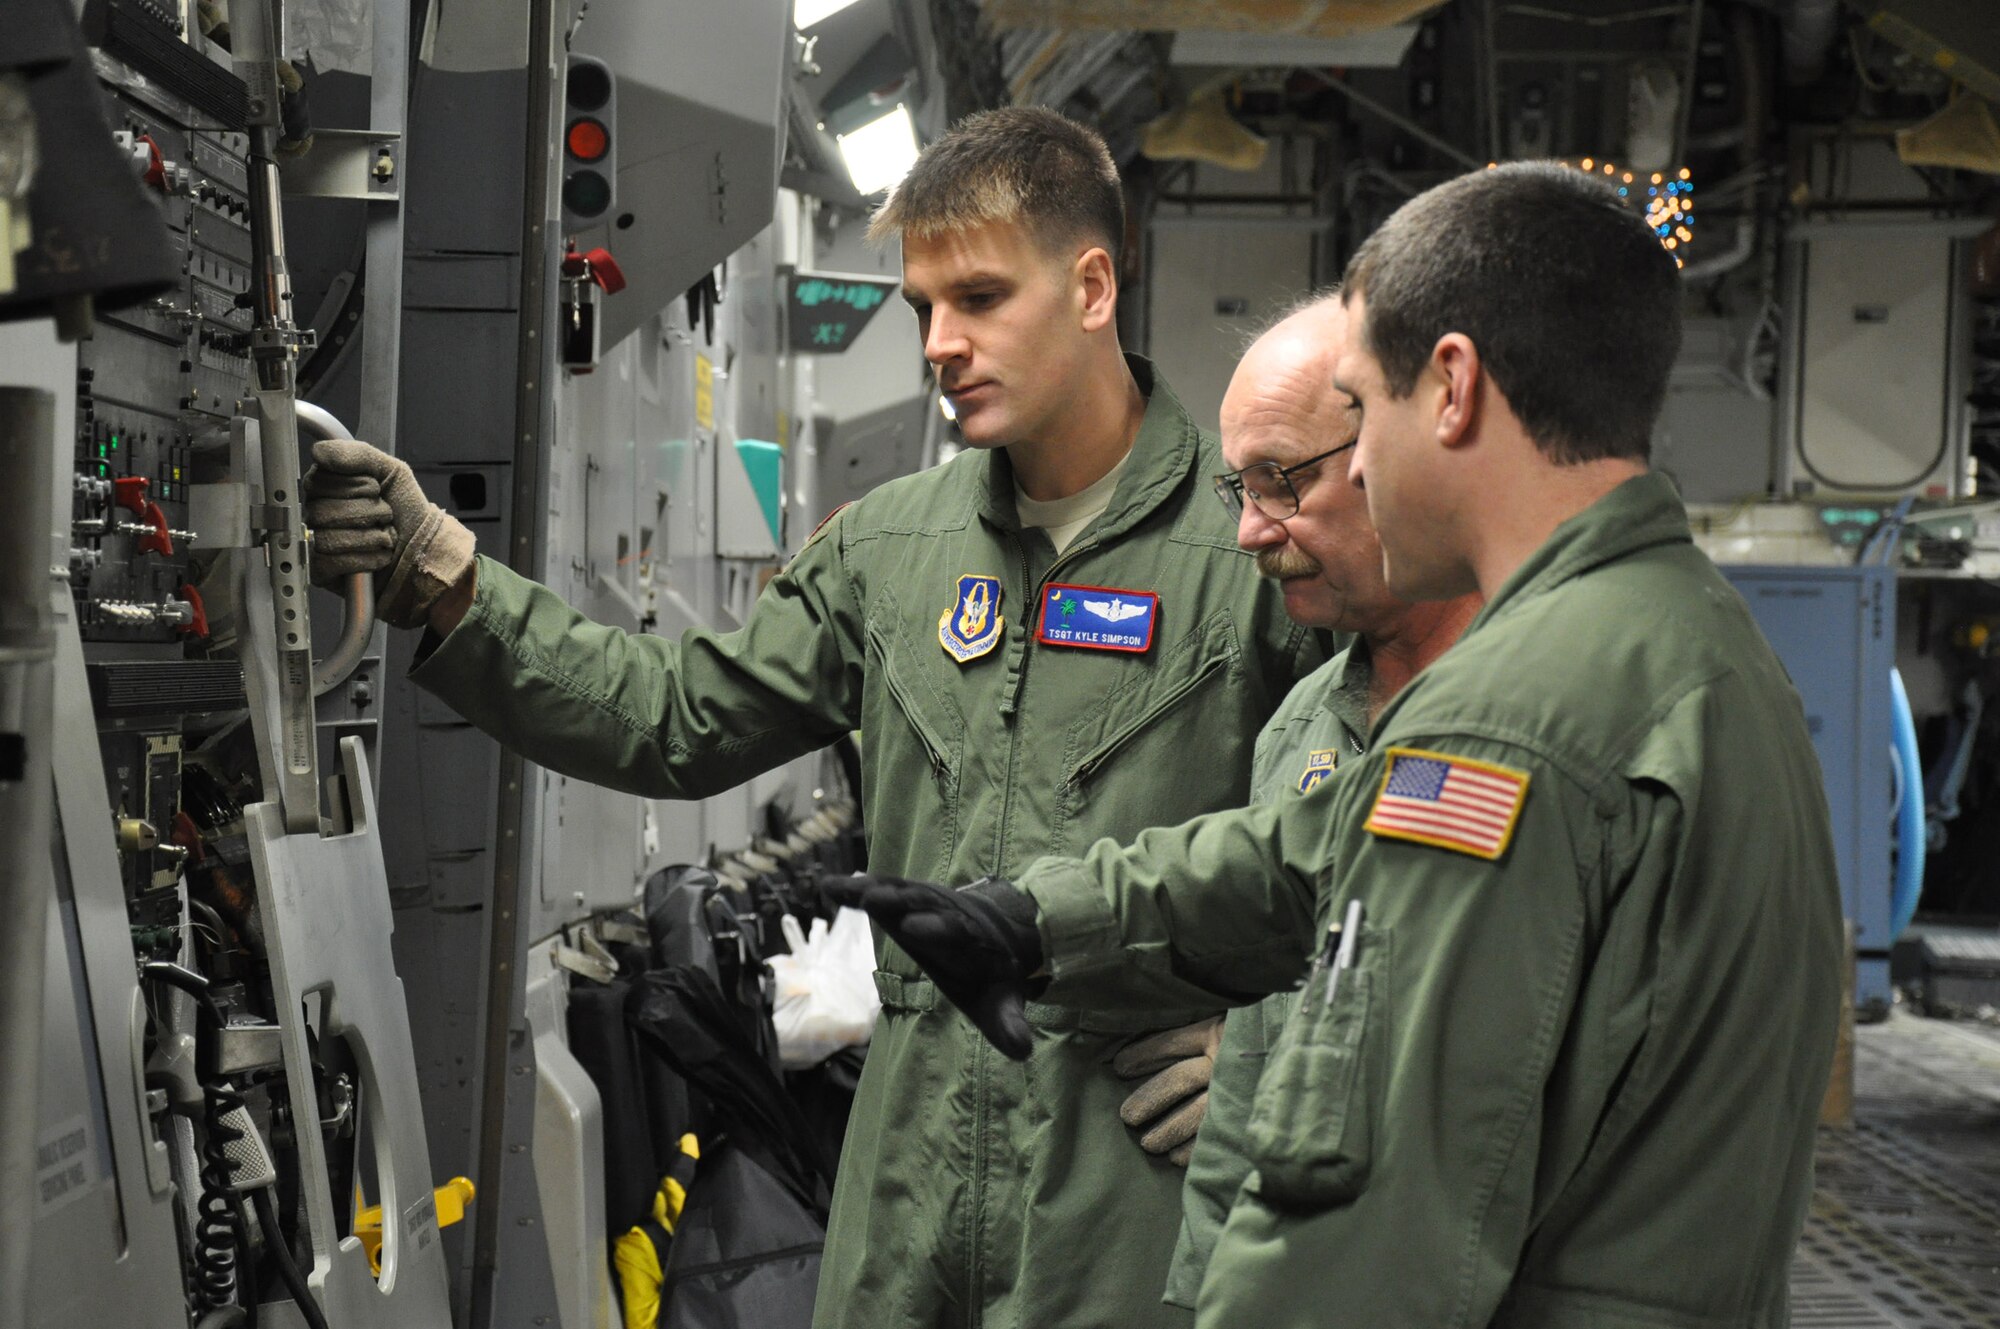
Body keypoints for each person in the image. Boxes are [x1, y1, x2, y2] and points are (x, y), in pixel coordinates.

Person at [301, 107, 1325, 1328]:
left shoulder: (1256, 551)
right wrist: (443, 573)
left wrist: (1280, 1054)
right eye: (921, 310)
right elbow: (677, 719)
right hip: (908, 1192)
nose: (940, 344)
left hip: (1131, 1199)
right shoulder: (894, 549)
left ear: (1092, 285)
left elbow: (1360, 857)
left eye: (981, 299)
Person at [830, 161, 1846, 1327]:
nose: (1357, 466)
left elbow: (1369, 1213)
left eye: (1365, 409)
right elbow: (1319, 845)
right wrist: (1040, 919)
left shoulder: (1504, 721)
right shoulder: (1689, 645)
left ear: (1451, 388)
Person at [1125, 291, 1481, 1312]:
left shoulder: (1533, 714)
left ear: (1398, 449)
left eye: (1279, 481)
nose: (1247, 532)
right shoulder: (1304, 727)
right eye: (1238, 487)